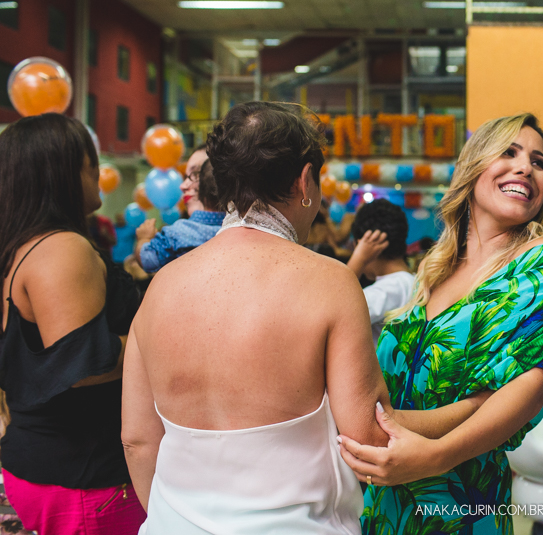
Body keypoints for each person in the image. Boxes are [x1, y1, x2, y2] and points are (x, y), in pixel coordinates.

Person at [121, 102, 490, 534]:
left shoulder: (160, 286)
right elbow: (369, 439)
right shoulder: (329, 282)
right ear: (305, 181)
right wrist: (478, 407)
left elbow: (138, 440)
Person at [338, 113, 543, 535]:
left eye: (539, 162)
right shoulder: (434, 269)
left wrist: (432, 454)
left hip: (461, 498)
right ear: (473, 168)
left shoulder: (542, 262)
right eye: (509, 152)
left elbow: (528, 384)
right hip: (387, 496)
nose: (525, 167)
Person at [0, 113, 146, 534]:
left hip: (49, 464)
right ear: (60, 174)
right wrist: (164, 342)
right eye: (90, 164)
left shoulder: (21, 245)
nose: (99, 174)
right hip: (83, 477)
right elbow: (84, 364)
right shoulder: (62, 248)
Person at [134, 159, 225, 272]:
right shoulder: (236, 231)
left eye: (193, 176)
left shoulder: (177, 232)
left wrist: (144, 238)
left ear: (201, 190)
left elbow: (147, 259)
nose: (183, 186)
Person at [346, 199, 415, 342]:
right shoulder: (412, 281)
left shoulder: (387, 290)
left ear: (363, 244)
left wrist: (357, 260)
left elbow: (330, 309)